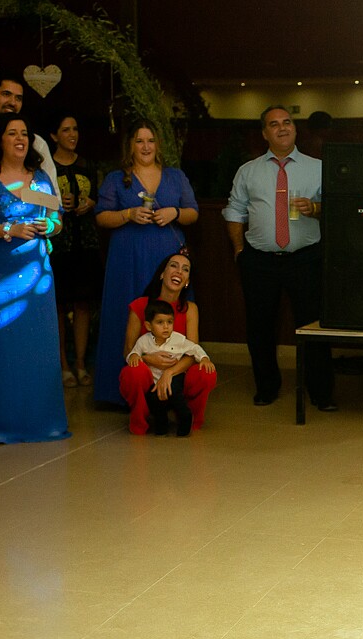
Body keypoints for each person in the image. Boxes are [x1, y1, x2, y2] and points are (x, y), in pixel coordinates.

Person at [0, 112, 69, 445]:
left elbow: (57, 221)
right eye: (12, 133)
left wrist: (46, 227)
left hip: (38, 276)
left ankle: (41, 421)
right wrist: (7, 229)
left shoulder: (40, 177)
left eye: (25, 133)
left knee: (38, 348)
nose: (21, 139)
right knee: (0, 347)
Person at [223, 105, 334, 411]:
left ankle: (321, 393)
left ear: (295, 129)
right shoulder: (248, 171)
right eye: (274, 124)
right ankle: (266, 388)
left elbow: (335, 206)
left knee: (313, 328)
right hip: (259, 260)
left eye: (287, 122)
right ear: (264, 133)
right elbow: (235, 210)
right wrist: (238, 249)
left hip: (305, 258)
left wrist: (316, 208)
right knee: (259, 328)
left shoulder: (317, 167)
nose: (283, 128)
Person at [94, 119, 199, 406]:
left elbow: (193, 212)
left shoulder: (175, 176)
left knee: (168, 317)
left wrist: (174, 213)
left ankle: (170, 390)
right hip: (127, 257)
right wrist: (127, 215)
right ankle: (120, 392)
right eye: (139, 141)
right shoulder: (117, 179)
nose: (145, 146)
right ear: (130, 146)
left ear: (158, 144)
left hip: (165, 256)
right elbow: (102, 216)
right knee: (126, 313)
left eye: (150, 140)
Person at [118, 251, 218, 434]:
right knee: (133, 371)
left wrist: (169, 373)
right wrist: (149, 360)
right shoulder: (140, 305)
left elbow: (192, 353)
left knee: (206, 372)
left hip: (178, 374)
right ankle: (140, 419)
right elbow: (128, 352)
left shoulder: (190, 309)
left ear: (187, 281)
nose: (179, 272)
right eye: (173, 266)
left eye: (185, 269)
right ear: (162, 274)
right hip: (147, 372)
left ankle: (190, 417)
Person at [48, 111, 103, 388]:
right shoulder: (47, 168)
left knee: (83, 304)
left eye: (75, 129)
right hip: (58, 244)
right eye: (66, 130)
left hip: (86, 242)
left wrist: (89, 203)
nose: (72, 135)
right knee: (58, 304)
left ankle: (81, 363)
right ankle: (63, 364)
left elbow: (98, 198)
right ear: (54, 136)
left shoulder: (88, 165)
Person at [126, 299, 212, 437]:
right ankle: (161, 424)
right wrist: (135, 356)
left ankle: (185, 418)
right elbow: (133, 353)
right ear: (149, 325)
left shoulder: (178, 339)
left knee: (175, 395)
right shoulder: (144, 341)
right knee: (154, 400)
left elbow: (194, 348)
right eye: (160, 322)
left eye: (169, 322)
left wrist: (204, 358)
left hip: (174, 377)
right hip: (154, 380)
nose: (166, 327)